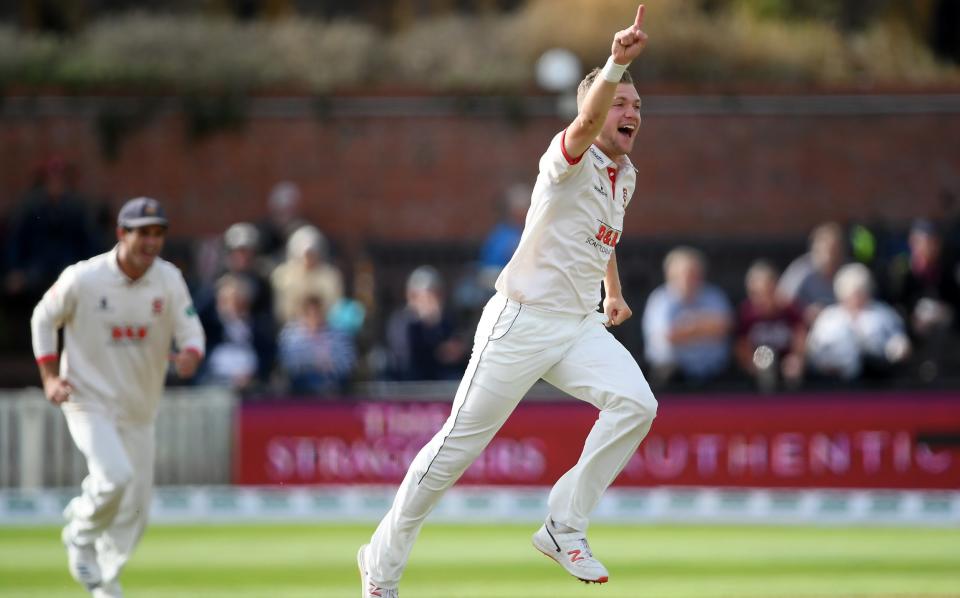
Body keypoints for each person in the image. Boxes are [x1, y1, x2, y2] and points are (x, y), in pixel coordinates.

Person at [357, 7, 654, 597]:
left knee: (636, 404)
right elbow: (591, 115)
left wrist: (612, 290)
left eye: (638, 106)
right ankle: (381, 565)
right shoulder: (564, 158)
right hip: (519, 323)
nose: (630, 113)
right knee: (451, 455)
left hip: (575, 325)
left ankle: (563, 524)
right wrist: (616, 62)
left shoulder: (625, 176)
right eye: (620, 103)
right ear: (591, 111)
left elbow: (603, 234)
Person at [30, 197, 205, 598]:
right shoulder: (84, 278)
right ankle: (79, 531)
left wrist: (191, 355)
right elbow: (43, 317)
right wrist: (50, 377)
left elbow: (191, 330)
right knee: (115, 477)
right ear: (122, 233)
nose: (151, 242)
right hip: (87, 398)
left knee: (136, 511)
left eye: (158, 233)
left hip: (140, 407)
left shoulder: (168, 279)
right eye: (143, 232)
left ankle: (105, 579)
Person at [641, 246, 733, 385]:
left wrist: (687, 326)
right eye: (686, 274)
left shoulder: (714, 296)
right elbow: (670, 335)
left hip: (714, 375)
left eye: (696, 273)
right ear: (672, 274)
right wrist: (704, 326)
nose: (691, 279)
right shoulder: (660, 299)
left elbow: (725, 327)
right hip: (671, 376)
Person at [806, 262, 910, 381]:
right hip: (834, 382)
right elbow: (815, 349)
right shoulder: (829, 317)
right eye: (853, 294)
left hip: (878, 380)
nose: (857, 298)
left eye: (861, 292)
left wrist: (897, 349)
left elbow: (899, 341)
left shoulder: (883, 314)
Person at [385, 265, 468, 381]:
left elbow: (457, 349)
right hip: (408, 382)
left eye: (436, 295)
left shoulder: (447, 319)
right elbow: (406, 356)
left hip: (443, 382)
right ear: (412, 296)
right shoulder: (401, 321)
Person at [734, 260, 806, 391]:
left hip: (786, 369)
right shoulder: (747, 314)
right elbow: (742, 347)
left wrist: (796, 359)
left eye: (768, 290)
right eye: (758, 293)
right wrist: (752, 365)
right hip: (759, 373)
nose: (763, 297)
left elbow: (800, 337)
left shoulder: (790, 310)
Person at [278, 294, 357, 394]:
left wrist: (330, 365)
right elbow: (288, 363)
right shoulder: (291, 334)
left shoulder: (339, 335)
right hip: (302, 384)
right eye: (310, 313)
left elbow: (348, 362)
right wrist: (312, 363)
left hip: (333, 381)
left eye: (317, 313)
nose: (314, 317)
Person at [270, 224, 344, 325]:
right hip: (292, 328)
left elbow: (335, 307)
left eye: (312, 254)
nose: (309, 258)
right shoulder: (283, 276)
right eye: (306, 254)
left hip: (324, 328)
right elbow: (282, 311)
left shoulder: (330, 276)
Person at [777, 221, 847, 324]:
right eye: (825, 248)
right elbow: (781, 300)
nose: (829, 255)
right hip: (805, 328)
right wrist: (803, 312)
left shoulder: (848, 270)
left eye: (834, 249)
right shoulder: (800, 270)